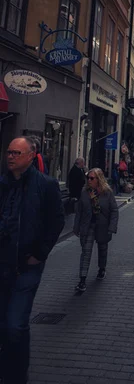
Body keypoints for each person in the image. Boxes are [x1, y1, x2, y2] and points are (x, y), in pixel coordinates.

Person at [0, 137, 65, 384]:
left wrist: (39, 253)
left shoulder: (46, 185)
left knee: (16, 324)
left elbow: (56, 221)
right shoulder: (3, 184)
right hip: (2, 263)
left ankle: (16, 376)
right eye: (9, 152)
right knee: (3, 324)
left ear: (30, 156)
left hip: (27, 266)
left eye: (16, 153)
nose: (11, 156)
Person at [73, 168, 118, 292]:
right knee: (86, 252)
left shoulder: (107, 192)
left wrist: (112, 227)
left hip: (103, 225)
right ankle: (82, 280)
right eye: (88, 178)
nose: (89, 180)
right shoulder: (84, 192)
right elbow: (79, 211)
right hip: (88, 226)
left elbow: (114, 210)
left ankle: (102, 268)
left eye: (92, 178)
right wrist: (76, 227)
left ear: (99, 179)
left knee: (102, 249)